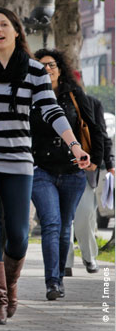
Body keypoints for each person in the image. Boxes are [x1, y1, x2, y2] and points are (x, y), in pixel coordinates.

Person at [0, 7, 91, 325]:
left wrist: (75, 145)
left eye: (3, 25)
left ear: (16, 31)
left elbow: (51, 110)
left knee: (18, 234)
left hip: (18, 161)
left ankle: (10, 284)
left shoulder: (34, 71)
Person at [30, 49, 104, 300]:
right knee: (51, 224)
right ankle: (52, 282)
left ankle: (59, 278)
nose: (47, 70)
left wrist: (96, 160)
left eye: (50, 65)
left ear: (60, 68)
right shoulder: (29, 97)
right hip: (41, 170)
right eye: (40, 67)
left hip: (73, 171)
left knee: (64, 227)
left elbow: (94, 128)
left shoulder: (74, 95)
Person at [66, 95, 114, 275]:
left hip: (85, 169)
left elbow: (102, 136)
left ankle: (89, 256)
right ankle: (65, 262)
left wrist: (109, 163)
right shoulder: (46, 100)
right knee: (62, 221)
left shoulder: (92, 103)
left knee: (84, 216)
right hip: (54, 168)